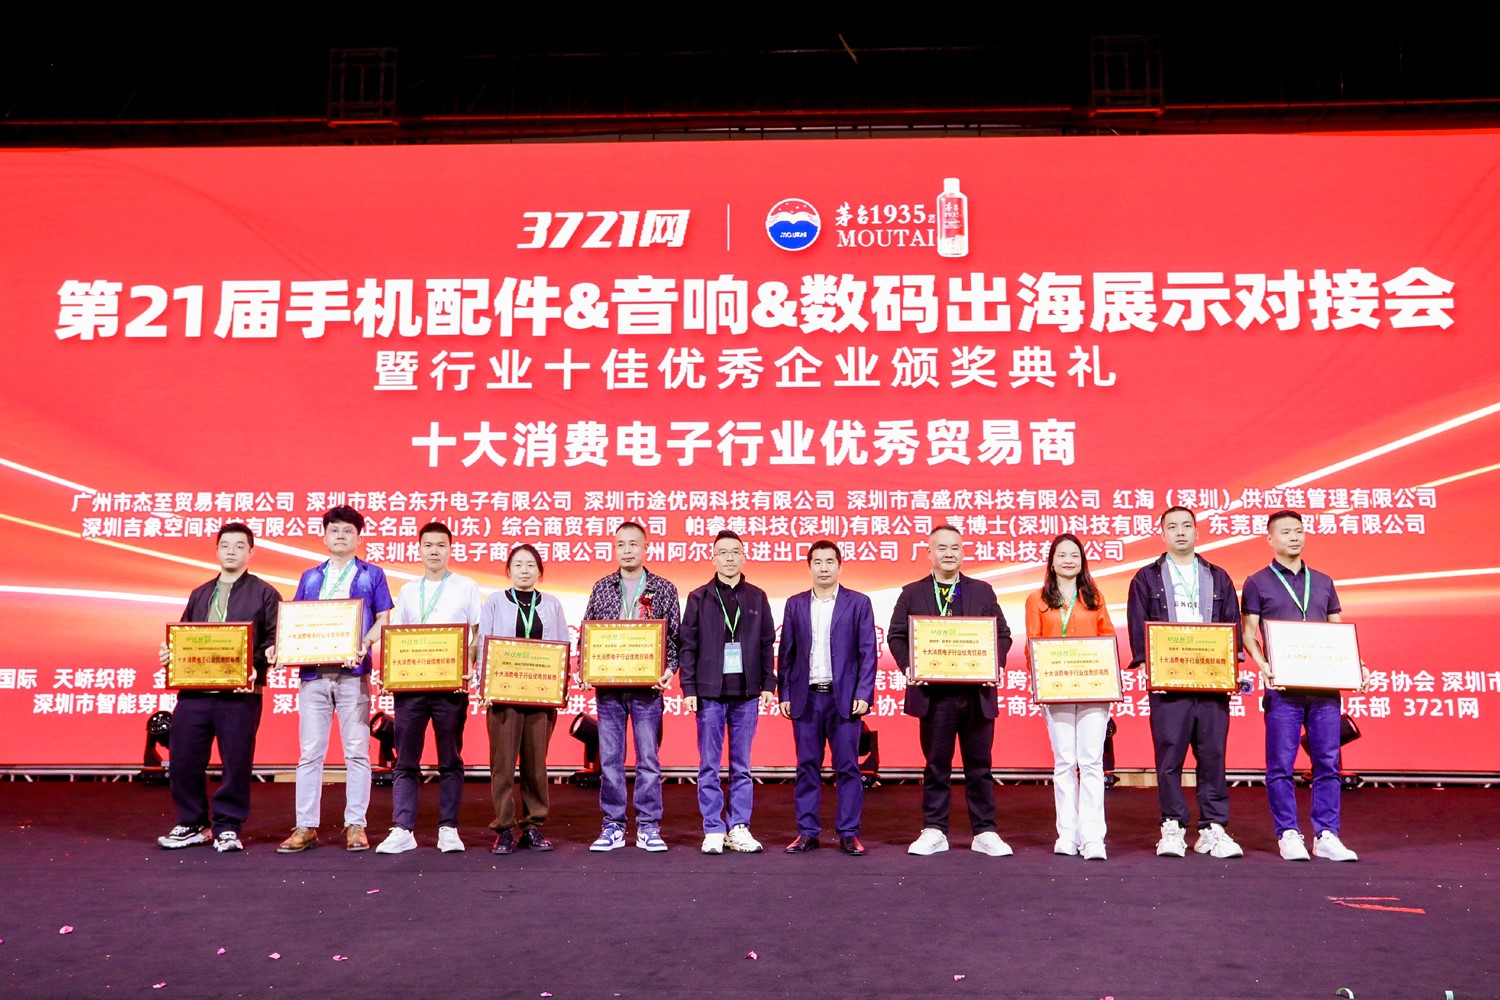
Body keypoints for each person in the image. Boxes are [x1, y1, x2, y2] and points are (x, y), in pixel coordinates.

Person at [1242, 510, 1365, 863]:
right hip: (1283, 690)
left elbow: (1337, 630)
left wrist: (1356, 665)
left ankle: (1326, 834)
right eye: (1285, 532)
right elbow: (1248, 632)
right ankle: (1288, 833)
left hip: (1325, 689)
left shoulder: (1323, 581)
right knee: (1280, 765)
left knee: (1327, 762)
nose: (1294, 537)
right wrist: (1263, 664)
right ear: (1270, 539)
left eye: (1298, 531)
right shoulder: (1257, 582)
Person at [888, 525, 1014, 858]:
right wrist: (909, 667)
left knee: (980, 766)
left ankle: (984, 831)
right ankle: (934, 830)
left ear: (963, 552)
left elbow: (1002, 635)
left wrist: (997, 664)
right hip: (934, 697)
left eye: (955, 547)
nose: (948, 553)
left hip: (976, 695)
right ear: (928, 553)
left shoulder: (982, 591)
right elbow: (896, 636)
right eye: (941, 548)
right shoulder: (912, 593)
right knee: (936, 765)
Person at [1125, 507, 1245, 859]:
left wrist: (1232, 667)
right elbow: (1138, 623)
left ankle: (1212, 828)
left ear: (1197, 532)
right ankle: (1172, 826)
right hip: (1169, 683)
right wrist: (1146, 664)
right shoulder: (1146, 578)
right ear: (1162, 533)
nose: (1181, 532)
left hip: (1210, 681)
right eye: (1173, 526)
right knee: (1169, 758)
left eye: (1187, 526)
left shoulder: (1218, 576)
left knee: (1213, 755)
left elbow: (1232, 624)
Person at [156, 523, 282, 853]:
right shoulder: (200, 593)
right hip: (194, 694)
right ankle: (192, 823)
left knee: (236, 763)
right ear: (216, 551)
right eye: (225, 545)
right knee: (183, 760)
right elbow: (185, 635)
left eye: (239, 546)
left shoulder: (265, 593)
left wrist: (255, 667)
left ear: (251, 552)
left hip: (240, 695)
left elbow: (275, 639)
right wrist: (171, 654)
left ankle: (227, 826)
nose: (231, 551)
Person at [278, 505, 393, 854]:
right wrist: (283, 648)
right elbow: (296, 620)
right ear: (324, 536)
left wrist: (364, 644)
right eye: (335, 530)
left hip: (353, 673)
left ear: (359, 537)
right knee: (310, 753)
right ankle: (305, 826)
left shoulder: (372, 574)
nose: (340, 536)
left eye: (348, 531)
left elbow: (384, 618)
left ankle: (356, 825)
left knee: (357, 752)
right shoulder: (310, 577)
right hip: (313, 674)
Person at [374, 522, 482, 855]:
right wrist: (389, 675)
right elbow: (397, 639)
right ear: (419, 549)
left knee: (450, 759)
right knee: (406, 760)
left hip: (450, 689)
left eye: (440, 545)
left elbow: (476, 636)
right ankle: (402, 828)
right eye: (428, 545)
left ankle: (448, 828)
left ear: (450, 549)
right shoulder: (408, 590)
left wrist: (468, 668)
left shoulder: (466, 587)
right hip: (411, 689)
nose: (434, 551)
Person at [581, 521, 681, 853]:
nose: (627, 550)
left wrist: (669, 669)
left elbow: (674, 638)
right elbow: (588, 633)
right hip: (609, 690)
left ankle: (649, 826)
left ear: (645, 548)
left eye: (633, 544)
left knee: (648, 759)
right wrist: (585, 669)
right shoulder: (602, 587)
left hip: (647, 690)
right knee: (610, 760)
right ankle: (612, 825)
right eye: (621, 544)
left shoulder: (663, 588)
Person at [777, 540, 878, 856]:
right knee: (806, 766)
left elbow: (868, 652)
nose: (824, 568)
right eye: (817, 562)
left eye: (829, 561)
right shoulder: (795, 604)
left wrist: (864, 693)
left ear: (840, 566)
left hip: (843, 699)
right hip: (806, 698)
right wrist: (785, 693)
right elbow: (787, 654)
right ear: (809, 567)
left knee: (847, 767)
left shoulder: (858, 603)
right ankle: (807, 832)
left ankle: (849, 833)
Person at [679, 530, 777, 854]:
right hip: (709, 693)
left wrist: (768, 684)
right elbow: (688, 646)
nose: (730, 558)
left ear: (744, 556)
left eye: (735, 552)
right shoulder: (698, 597)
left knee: (742, 766)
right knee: (709, 765)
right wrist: (689, 687)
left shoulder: (757, 597)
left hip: (747, 694)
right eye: (723, 552)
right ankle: (712, 828)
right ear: (713, 558)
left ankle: (738, 827)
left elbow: (766, 644)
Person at [1026, 533, 1116, 861]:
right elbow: (1032, 645)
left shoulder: (1094, 597)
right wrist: (1041, 681)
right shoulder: (1036, 599)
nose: (1068, 560)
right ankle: (1066, 834)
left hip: (1094, 690)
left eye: (1074, 555)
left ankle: (1092, 838)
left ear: (1082, 561)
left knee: (1091, 762)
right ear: (1051, 562)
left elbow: (1108, 639)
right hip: (1056, 690)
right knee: (1064, 762)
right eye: (1062, 555)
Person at [479, 543, 570, 855]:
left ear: (540, 572)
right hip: (503, 696)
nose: (524, 570)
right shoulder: (495, 601)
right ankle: (504, 828)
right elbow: (484, 644)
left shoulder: (552, 604)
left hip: (540, 697)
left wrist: (561, 687)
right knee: (503, 765)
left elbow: (562, 645)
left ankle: (533, 826)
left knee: (536, 765)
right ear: (508, 570)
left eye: (531, 565)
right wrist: (484, 688)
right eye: (518, 565)